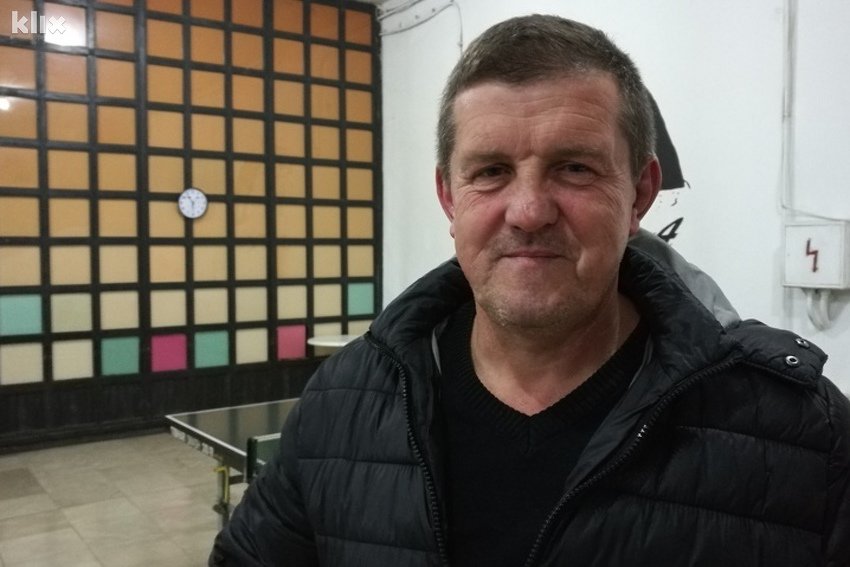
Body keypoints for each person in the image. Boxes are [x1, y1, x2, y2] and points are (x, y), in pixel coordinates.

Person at [210, 14, 850, 566]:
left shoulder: (803, 435)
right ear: (449, 198)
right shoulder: (343, 402)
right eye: (491, 171)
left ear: (640, 194)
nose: (528, 211)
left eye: (573, 167)